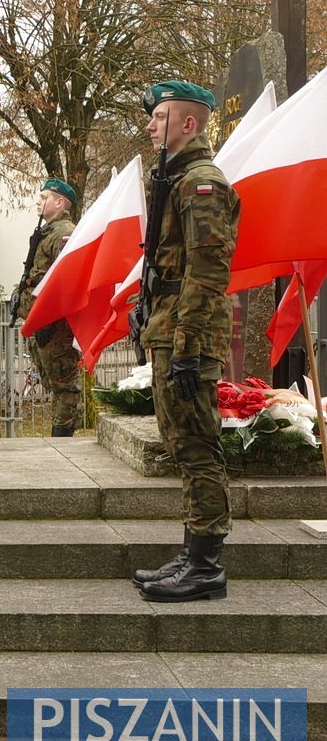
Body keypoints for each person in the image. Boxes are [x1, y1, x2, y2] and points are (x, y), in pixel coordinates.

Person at [132, 81, 238, 603]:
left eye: (161, 116)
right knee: (183, 445)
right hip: (172, 327)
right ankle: (193, 551)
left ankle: (206, 566)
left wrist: (190, 345)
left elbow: (206, 271)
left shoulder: (201, 183)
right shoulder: (175, 179)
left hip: (186, 333)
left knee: (198, 448)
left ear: (188, 124)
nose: (151, 123)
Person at [12, 179, 81, 437]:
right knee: (54, 383)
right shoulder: (46, 232)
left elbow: (65, 282)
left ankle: (63, 439)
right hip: (41, 323)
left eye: (43, 197)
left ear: (60, 202)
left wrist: (49, 321)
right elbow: (35, 276)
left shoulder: (64, 233)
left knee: (64, 386)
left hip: (55, 327)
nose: (37, 202)